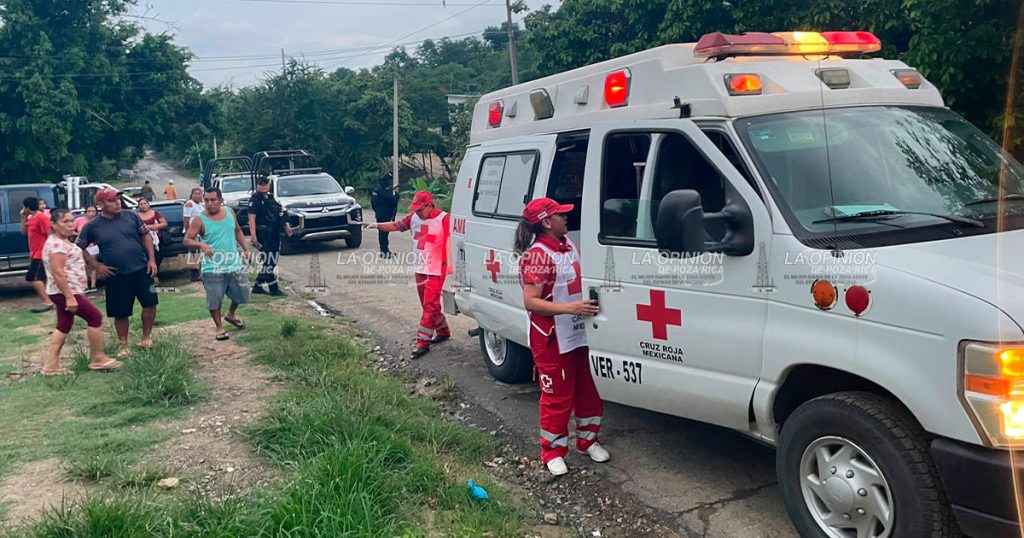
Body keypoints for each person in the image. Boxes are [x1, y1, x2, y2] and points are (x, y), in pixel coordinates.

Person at [514, 198, 607, 476]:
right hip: (552, 338)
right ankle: (552, 450)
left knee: (589, 390)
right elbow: (531, 301)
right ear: (545, 222)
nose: (567, 218)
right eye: (560, 215)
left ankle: (587, 440)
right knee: (557, 396)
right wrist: (571, 308)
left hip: (579, 332)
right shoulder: (538, 256)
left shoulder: (568, 245)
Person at [363, 191, 451, 358]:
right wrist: (377, 225)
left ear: (429, 204)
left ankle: (422, 342)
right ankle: (443, 330)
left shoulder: (444, 219)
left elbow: (455, 240)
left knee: (429, 305)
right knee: (427, 304)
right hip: (420, 268)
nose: (417, 212)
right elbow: (397, 226)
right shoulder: (413, 218)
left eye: (420, 209)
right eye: (415, 209)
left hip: (437, 268)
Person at [77, 188, 159, 357]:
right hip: (115, 274)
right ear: (100, 204)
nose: (117, 203)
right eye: (112, 200)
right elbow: (79, 247)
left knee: (150, 303)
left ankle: (146, 337)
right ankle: (123, 346)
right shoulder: (92, 226)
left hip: (141, 267)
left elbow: (146, 236)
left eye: (118, 199)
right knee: (121, 312)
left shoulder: (131, 216)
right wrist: (96, 265)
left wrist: (151, 259)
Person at [41, 209, 122, 375]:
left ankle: (51, 365)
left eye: (71, 220)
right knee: (95, 317)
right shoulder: (57, 245)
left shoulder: (62, 241)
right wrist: (70, 297)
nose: (70, 224)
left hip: (65, 291)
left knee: (64, 325)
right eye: (65, 222)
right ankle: (98, 358)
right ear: (54, 225)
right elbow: (58, 272)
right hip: (66, 292)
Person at [184, 187, 251, 341]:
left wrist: (246, 249)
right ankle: (219, 327)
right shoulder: (199, 220)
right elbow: (187, 239)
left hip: (234, 263)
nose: (209, 203)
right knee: (215, 299)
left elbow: (238, 231)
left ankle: (231, 314)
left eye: (213, 200)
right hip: (212, 267)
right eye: (206, 200)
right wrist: (202, 245)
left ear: (220, 200)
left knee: (243, 294)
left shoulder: (229, 212)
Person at [247, 176, 292, 295]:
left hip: (274, 232)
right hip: (263, 233)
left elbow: (281, 213)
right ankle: (266, 287)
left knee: (271, 260)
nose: (263, 186)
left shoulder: (272, 199)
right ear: (257, 186)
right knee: (269, 260)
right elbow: (251, 218)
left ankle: (266, 288)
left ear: (269, 185)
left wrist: (286, 224)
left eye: (265, 184)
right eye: (261, 184)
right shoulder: (255, 199)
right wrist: (253, 235)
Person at [20, 197, 54, 313]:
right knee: (42, 278)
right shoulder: (30, 218)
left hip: (41, 253)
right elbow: (23, 232)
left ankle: (47, 301)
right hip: (34, 253)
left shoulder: (42, 218)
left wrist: (50, 251)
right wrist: (23, 217)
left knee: (32, 277)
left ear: (28, 207)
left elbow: (50, 234)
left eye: (24, 207)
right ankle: (49, 299)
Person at [136, 198, 168, 284]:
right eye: (141, 204)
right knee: (148, 258)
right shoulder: (137, 216)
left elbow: (164, 224)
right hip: (143, 242)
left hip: (157, 240)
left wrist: (155, 226)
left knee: (158, 257)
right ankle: (152, 277)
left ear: (148, 204)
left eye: (145, 203)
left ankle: (156, 274)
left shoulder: (156, 213)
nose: (143, 206)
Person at [370, 173, 399, 258]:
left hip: (380, 214)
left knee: (382, 233)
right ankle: (384, 251)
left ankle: (384, 251)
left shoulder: (377, 190)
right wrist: (396, 195)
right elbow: (393, 201)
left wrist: (377, 211)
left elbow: (373, 203)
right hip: (385, 215)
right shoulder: (384, 191)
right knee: (384, 234)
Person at [74, 206, 100, 292]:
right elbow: (72, 230)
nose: (91, 213)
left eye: (93, 211)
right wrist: (79, 234)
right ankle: (84, 285)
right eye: (89, 211)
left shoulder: (98, 222)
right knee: (83, 265)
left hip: (93, 246)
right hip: (81, 246)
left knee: (92, 264)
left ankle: (93, 285)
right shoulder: (79, 220)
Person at [183, 188, 205, 282]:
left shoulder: (200, 204)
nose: (197, 195)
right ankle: (194, 275)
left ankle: (200, 273)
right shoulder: (189, 204)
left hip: (199, 232)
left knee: (199, 253)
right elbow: (186, 218)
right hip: (192, 233)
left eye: (199, 193)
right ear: (191, 195)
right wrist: (188, 232)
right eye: (195, 193)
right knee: (193, 254)